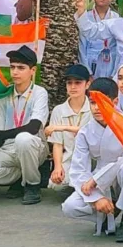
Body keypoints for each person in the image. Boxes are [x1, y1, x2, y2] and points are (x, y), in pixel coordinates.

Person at [61, 77, 123, 242]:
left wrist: (97, 180)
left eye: (102, 102)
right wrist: (96, 198)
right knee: (70, 207)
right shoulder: (85, 131)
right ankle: (109, 212)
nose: (96, 108)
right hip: (99, 180)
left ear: (115, 101)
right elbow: (78, 169)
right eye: (93, 102)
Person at [0, 46, 50, 205]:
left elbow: (33, 128)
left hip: (34, 147)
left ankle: (32, 185)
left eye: (21, 68)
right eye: (12, 67)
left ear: (32, 71)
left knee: (24, 139)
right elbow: (0, 127)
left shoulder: (39, 92)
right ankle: (18, 179)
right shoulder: (5, 93)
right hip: (8, 148)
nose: (15, 72)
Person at [16, 0, 83, 107]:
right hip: (46, 61)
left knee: (66, 108)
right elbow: (22, 14)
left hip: (71, 62)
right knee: (43, 106)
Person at [44, 65, 95, 196]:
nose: (73, 87)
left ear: (87, 84)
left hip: (92, 159)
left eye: (78, 82)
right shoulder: (59, 110)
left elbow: (90, 132)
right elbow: (57, 144)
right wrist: (57, 167)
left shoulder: (94, 108)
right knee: (56, 184)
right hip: (70, 159)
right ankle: (77, 188)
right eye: (69, 83)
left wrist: (60, 127)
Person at [78, 0, 120, 79]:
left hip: (111, 62)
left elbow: (119, 48)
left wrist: (114, 74)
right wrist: (87, 73)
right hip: (90, 61)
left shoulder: (117, 18)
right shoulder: (85, 17)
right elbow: (82, 47)